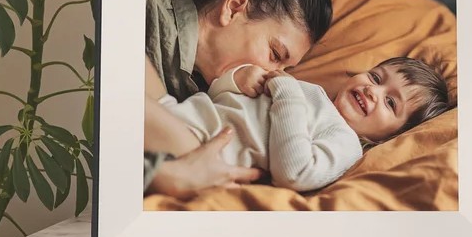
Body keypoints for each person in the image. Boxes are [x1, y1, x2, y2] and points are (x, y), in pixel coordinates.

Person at [143, 0, 334, 196]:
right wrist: (166, 175)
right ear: (233, 9)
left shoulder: (214, 102)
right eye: (275, 55)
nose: (274, 73)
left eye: (286, 69)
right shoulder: (136, 1)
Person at [154, 56, 451, 192]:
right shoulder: (313, 92)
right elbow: (218, 97)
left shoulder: (345, 142)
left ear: (387, 139)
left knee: (123, 101)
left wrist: (288, 95)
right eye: (375, 77)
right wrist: (237, 80)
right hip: (185, 111)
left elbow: (295, 174)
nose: (374, 91)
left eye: (390, 103)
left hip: (199, 147)